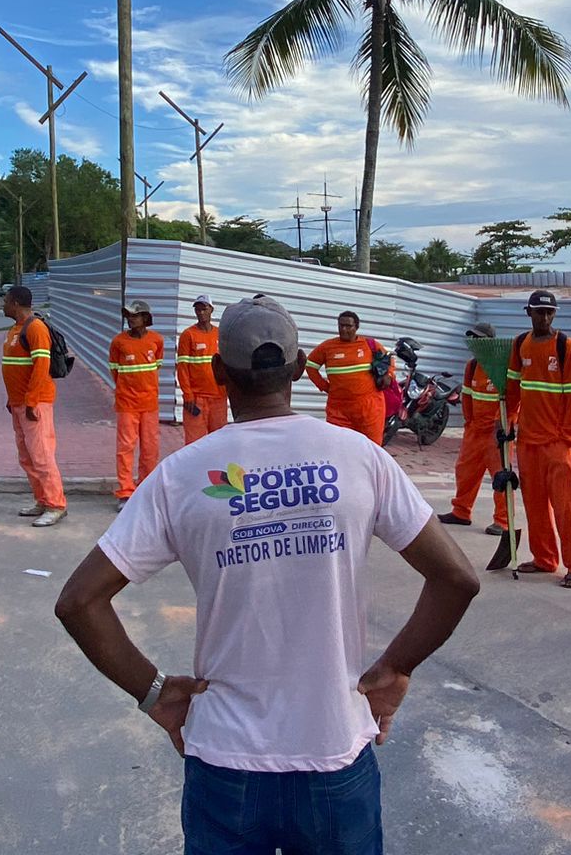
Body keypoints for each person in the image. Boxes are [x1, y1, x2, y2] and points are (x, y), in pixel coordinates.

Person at [55, 294, 480, 855]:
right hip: (334, 751)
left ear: (217, 371)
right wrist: (396, 667)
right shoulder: (359, 457)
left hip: (224, 762)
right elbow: (456, 579)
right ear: (300, 367)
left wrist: (154, 692)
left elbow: (79, 601)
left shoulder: (180, 475)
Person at [505, 289, 571, 587]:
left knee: (566, 507)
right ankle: (544, 558)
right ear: (528, 312)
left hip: (556, 443)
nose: (545, 317)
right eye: (539, 312)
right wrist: (508, 423)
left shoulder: (566, 346)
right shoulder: (520, 344)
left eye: (549, 312)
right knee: (535, 504)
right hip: (527, 442)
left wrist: (567, 438)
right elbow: (512, 390)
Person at [2, 285, 67, 526]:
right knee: (27, 457)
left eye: (6, 301)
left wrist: (31, 401)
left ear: (16, 303)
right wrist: (13, 400)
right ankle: (42, 499)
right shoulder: (15, 330)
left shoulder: (36, 328)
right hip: (19, 404)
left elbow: (41, 367)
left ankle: (56, 504)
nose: (3, 305)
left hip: (35, 404)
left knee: (41, 456)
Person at [439, 321, 510, 537]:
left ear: (491, 341)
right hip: (475, 430)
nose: (476, 342)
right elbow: (468, 396)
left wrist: (505, 425)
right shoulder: (472, 366)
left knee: (500, 477)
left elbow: (513, 399)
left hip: (496, 432)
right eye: (473, 338)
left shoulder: (502, 366)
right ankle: (461, 511)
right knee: (465, 471)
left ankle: (503, 521)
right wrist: (469, 423)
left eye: (480, 338)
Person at [109, 299, 164, 509]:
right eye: (129, 315)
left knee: (150, 448)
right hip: (127, 404)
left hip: (149, 404)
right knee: (126, 448)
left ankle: (146, 488)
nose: (131, 319)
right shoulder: (118, 342)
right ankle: (125, 491)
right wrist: (126, 390)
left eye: (135, 315)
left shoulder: (156, 340)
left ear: (145, 318)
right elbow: (115, 371)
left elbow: (156, 366)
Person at [306, 310, 391, 444]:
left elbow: (388, 360)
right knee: (338, 445)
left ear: (356, 327)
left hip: (369, 407)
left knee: (372, 446)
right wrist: (325, 386)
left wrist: (389, 375)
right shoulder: (327, 347)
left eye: (348, 326)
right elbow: (310, 366)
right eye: (341, 325)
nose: (344, 329)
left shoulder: (370, 345)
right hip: (339, 409)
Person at [177, 293, 228, 445]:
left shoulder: (220, 334)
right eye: (198, 309)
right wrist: (187, 395)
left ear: (211, 310)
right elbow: (182, 368)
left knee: (218, 443)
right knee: (194, 444)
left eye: (204, 309)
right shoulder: (188, 335)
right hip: (196, 399)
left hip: (218, 398)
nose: (201, 312)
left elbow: (228, 365)